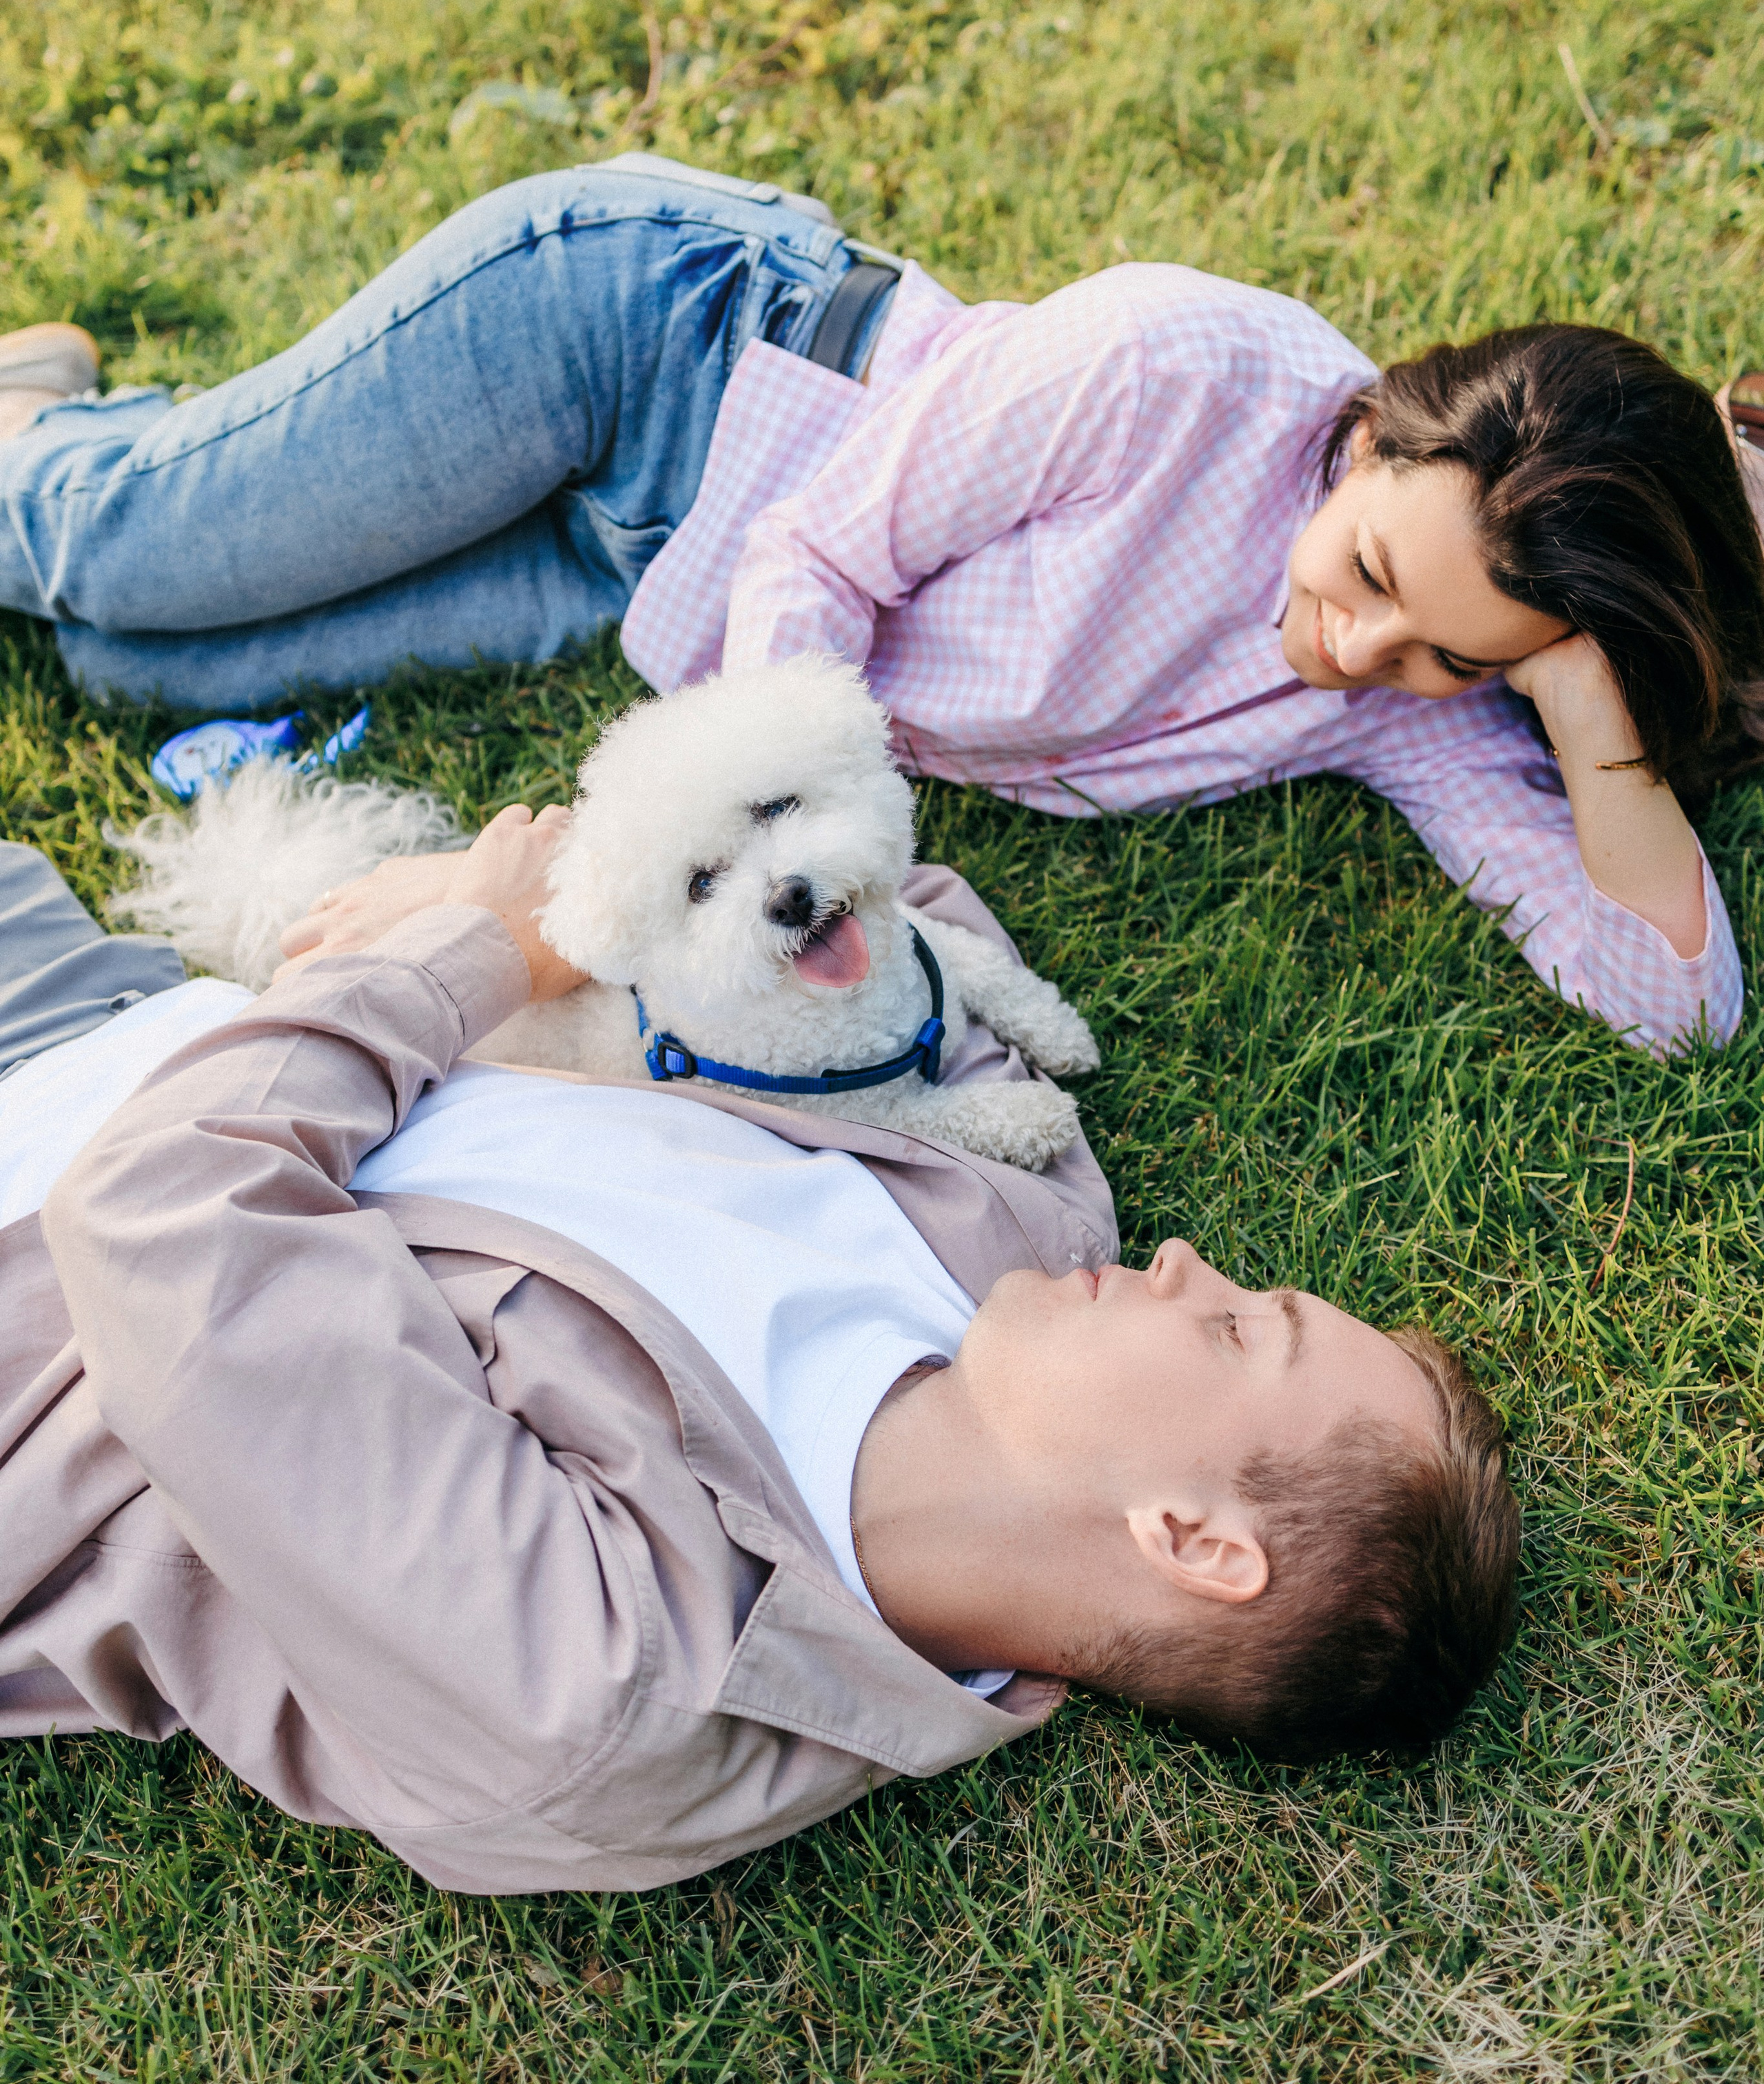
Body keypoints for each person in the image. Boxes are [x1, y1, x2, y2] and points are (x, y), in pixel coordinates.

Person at [0, 810, 1517, 1896]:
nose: (1188, 1265)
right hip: (111, 1003)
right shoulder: (1013, 1221)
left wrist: (473, 950)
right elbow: (891, 918)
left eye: (1243, 1329)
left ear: (1189, 1539)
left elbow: (161, 1214)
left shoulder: (609, 1674)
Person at [2, 153, 1758, 1055]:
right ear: (1370, 436)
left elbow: (1671, 1006)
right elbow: (816, 566)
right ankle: (47, 453)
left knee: (137, 664)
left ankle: (52, 415)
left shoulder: (1408, 702)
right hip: (643, 346)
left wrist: (1584, 718)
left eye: (1455, 656)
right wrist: (812, 894)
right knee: (116, 558)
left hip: (638, 567)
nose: (1359, 651)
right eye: (1368, 574)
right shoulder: (1175, 364)